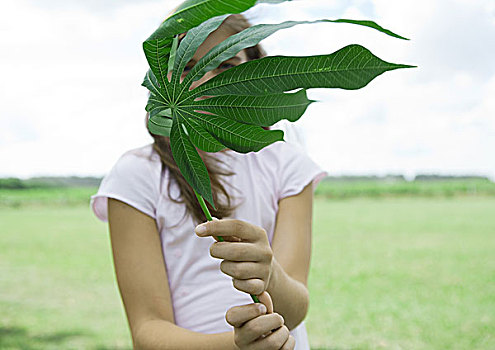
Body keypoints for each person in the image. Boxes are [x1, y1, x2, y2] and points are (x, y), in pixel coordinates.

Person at [91, 13, 327, 350]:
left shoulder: (287, 163)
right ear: (162, 78)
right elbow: (147, 330)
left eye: (227, 66)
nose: (204, 80)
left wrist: (268, 271)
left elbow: (295, 308)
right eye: (187, 68)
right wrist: (236, 345)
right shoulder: (137, 173)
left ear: (256, 76)